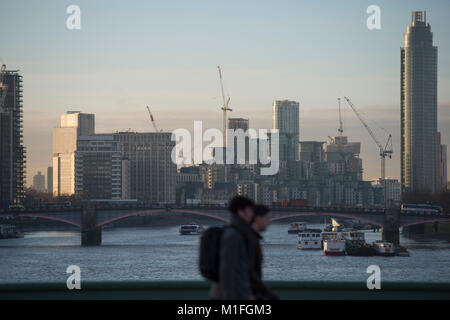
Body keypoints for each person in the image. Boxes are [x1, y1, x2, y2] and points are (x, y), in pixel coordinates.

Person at [210, 195, 255, 299]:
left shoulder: (236, 233)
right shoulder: (233, 236)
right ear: (240, 212)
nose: (253, 214)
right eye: (250, 210)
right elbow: (227, 271)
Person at [249, 204, 278, 300]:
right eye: (266, 217)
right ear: (257, 219)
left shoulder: (252, 238)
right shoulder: (247, 240)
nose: (269, 221)